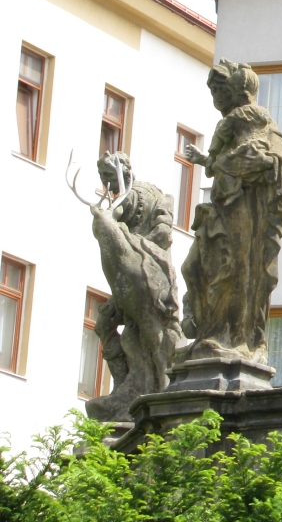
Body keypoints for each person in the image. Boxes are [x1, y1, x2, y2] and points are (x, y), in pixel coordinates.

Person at [181, 59, 282, 364]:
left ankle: (234, 337)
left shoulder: (261, 124)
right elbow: (218, 162)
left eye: (220, 90)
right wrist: (210, 162)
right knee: (194, 267)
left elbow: (277, 161)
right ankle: (208, 331)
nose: (216, 98)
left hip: (245, 210)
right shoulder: (230, 127)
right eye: (212, 92)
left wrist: (256, 163)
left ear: (234, 90)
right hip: (220, 208)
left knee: (237, 269)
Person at [87, 152, 180, 421]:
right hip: (128, 276)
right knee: (104, 324)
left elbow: (163, 234)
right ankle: (124, 385)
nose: (108, 185)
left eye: (110, 177)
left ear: (124, 171)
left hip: (153, 269)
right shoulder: (119, 200)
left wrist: (132, 241)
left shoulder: (154, 196)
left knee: (151, 332)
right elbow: (115, 214)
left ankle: (161, 384)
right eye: (104, 180)